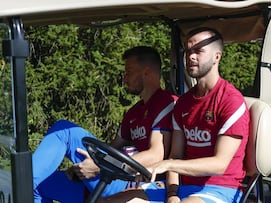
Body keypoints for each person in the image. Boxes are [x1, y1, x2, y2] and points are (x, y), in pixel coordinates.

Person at [99, 27, 250, 203]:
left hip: (221, 189)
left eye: (199, 51)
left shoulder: (231, 101)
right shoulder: (184, 103)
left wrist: (169, 165)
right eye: (188, 51)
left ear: (217, 56)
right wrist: (172, 195)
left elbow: (219, 164)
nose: (191, 56)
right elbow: (175, 154)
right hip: (181, 188)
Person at [32, 46, 177, 203]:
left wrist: (99, 167)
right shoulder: (133, 113)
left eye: (129, 72)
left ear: (147, 73)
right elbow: (111, 149)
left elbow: (155, 155)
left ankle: (24, 179)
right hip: (111, 177)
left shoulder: (166, 103)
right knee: (40, 185)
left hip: (138, 184)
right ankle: (26, 182)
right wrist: (85, 165)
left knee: (65, 131)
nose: (125, 78)